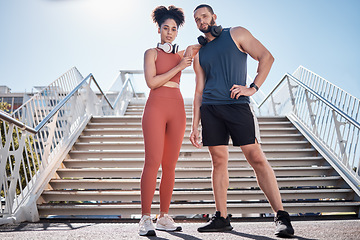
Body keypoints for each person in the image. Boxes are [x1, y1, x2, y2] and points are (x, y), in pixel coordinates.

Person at [189, 4, 295, 237]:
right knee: (218, 162)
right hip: (210, 109)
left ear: (214, 17)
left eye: (204, 16)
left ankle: (281, 216)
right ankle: (222, 217)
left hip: (237, 106)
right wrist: (194, 124)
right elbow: (198, 91)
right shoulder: (200, 54)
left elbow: (266, 57)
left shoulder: (236, 33)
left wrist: (253, 88)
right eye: (196, 19)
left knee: (255, 157)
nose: (201, 21)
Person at [139, 5, 200, 237]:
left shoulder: (183, 53)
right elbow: (151, 82)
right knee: (152, 162)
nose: (170, 32)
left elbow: (208, 39)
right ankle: (145, 218)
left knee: (170, 166)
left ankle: (163, 216)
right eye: (166, 28)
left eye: (174, 29)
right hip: (155, 107)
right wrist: (178, 66)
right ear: (159, 29)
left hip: (177, 108)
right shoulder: (151, 53)